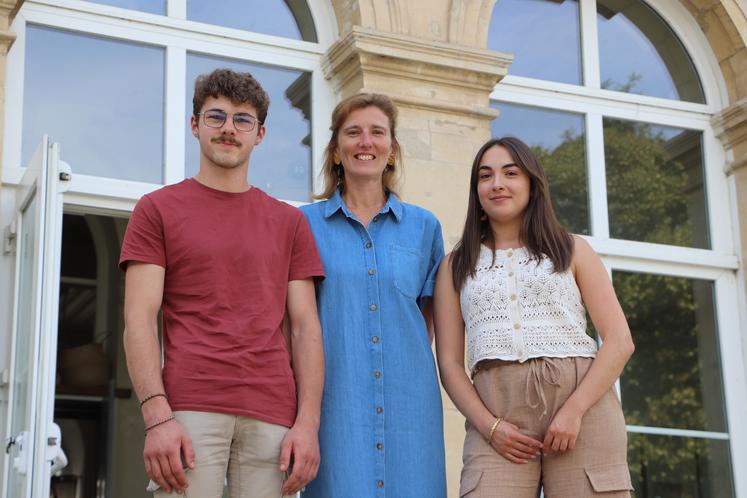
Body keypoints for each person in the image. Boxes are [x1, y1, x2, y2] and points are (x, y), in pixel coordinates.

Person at [120, 68, 325, 498]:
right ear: (195, 126)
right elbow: (139, 318)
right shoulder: (156, 210)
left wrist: (307, 424)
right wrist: (157, 417)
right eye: (216, 117)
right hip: (188, 410)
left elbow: (305, 327)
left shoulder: (289, 222)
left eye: (242, 120)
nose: (229, 129)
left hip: (272, 413)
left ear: (260, 134)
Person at [434, 136, 635, 497]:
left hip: (583, 405)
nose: (497, 183)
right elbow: (448, 363)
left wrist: (574, 410)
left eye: (510, 173)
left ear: (531, 183)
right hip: (496, 413)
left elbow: (620, 340)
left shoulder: (572, 249)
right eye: (485, 175)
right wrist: (490, 426)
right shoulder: (455, 264)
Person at [299, 93, 447, 498]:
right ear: (335, 150)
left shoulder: (424, 227)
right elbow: (292, 321)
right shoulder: (303, 225)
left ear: (392, 149)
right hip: (334, 410)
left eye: (377, 133)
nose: (366, 142)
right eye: (353, 133)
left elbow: (428, 318)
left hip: (411, 411)